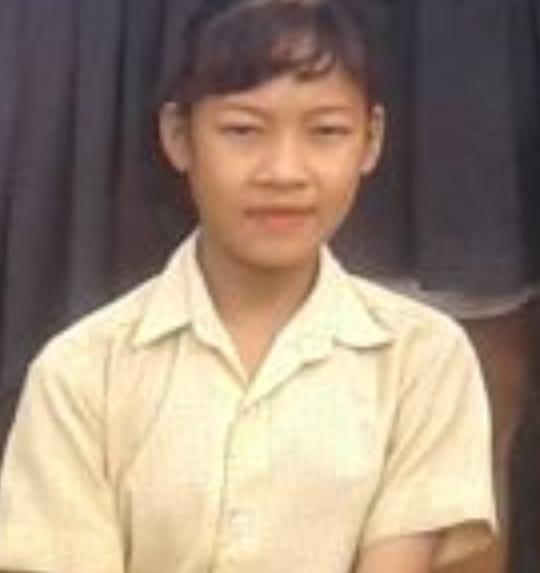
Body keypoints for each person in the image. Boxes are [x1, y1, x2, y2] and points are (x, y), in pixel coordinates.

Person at [0, 0, 496, 571]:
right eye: (243, 130)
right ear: (179, 135)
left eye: (326, 131)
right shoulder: (82, 371)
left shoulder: (422, 358)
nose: (284, 172)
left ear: (371, 139)